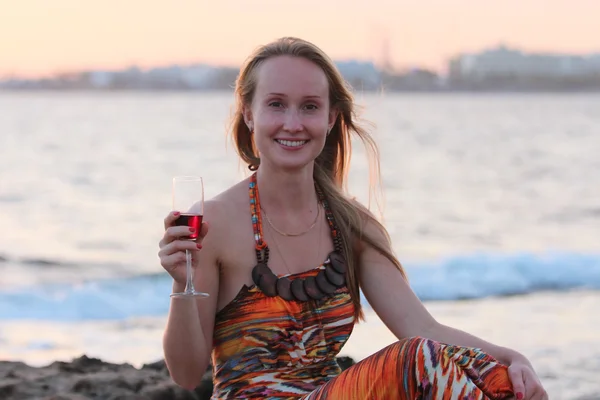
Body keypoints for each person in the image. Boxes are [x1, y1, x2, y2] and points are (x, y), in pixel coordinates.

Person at [158, 37, 548, 400]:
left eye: (310, 106)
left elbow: (425, 329)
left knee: (490, 373)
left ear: (330, 118)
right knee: (414, 360)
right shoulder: (214, 223)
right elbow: (187, 374)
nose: (293, 123)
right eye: (276, 104)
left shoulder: (352, 225)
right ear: (248, 113)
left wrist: (512, 359)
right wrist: (181, 283)